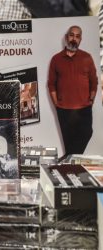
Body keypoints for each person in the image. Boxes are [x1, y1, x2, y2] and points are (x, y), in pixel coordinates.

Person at [47, 25, 98, 159]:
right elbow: (51, 84)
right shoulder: (56, 59)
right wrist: (56, 104)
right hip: (64, 110)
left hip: (84, 108)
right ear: (66, 37)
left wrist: (91, 99)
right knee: (69, 144)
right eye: (71, 35)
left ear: (80, 39)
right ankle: (68, 170)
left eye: (77, 36)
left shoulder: (87, 58)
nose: (74, 39)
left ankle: (65, 161)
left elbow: (94, 82)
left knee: (87, 133)